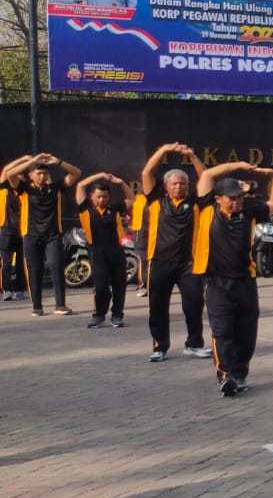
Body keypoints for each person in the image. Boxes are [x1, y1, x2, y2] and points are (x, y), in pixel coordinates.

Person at [193, 160, 273, 396]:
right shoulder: (206, 210)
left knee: (246, 333)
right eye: (231, 198)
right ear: (218, 198)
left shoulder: (250, 211)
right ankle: (225, 376)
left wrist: (272, 175)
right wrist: (237, 165)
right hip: (216, 282)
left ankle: (240, 373)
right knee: (222, 331)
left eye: (239, 197)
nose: (236, 202)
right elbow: (207, 176)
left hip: (245, 281)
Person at [139, 143, 208, 361]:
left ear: (188, 186)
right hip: (160, 262)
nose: (178, 187)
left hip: (189, 264)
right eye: (174, 184)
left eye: (182, 184)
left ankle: (194, 344)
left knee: (194, 303)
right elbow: (146, 172)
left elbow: (205, 176)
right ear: (166, 186)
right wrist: (164, 150)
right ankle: (160, 347)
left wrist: (192, 155)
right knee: (158, 307)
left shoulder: (196, 202)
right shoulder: (156, 200)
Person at [3, 151, 82, 316]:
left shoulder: (56, 188)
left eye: (45, 173)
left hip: (53, 235)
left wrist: (57, 161)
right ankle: (37, 307)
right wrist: (32, 161)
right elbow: (9, 173)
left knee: (56, 266)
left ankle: (60, 305)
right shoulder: (23, 189)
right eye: (38, 173)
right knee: (34, 270)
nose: (42, 176)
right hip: (30, 235)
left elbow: (76, 173)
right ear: (31, 175)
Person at [74, 170, 134, 328]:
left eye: (105, 196)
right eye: (99, 196)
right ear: (92, 196)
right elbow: (80, 185)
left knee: (119, 285)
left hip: (116, 251)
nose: (102, 199)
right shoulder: (85, 209)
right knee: (100, 286)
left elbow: (131, 199)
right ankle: (99, 315)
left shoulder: (114, 208)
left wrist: (120, 183)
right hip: (96, 252)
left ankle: (117, 315)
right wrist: (100, 175)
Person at [0, 155, 28, 300]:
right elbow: (6, 170)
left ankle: (20, 289)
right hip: (5, 229)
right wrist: (24, 159)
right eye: (15, 175)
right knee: (6, 260)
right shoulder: (4, 188)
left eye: (21, 176)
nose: (17, 178)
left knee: (20, 261)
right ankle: (6, 289)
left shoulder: (25, 193)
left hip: (22, 230)